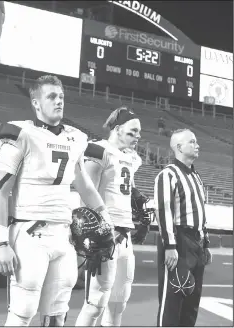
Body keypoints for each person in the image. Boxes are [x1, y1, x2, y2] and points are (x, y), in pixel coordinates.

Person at [0, 74, 114, 327]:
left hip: (63, 235)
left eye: (61, 97)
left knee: (58, 314)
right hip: (29, 231)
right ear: (36, 103)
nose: (59, 102)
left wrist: (106, 216)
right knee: (23, 312)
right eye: (51, 96)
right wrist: (0, 242)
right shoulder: (21, 134)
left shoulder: (76, 138)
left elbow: (85, 185)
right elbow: (0, 191)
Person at [75, 107, 142, 327]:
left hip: (125, 235)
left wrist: (141, 201)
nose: (137, 137)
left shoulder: (131, 157)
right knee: (96, 302)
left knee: (118, 302)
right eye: (132, 132)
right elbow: (87, 193)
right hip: (106, 235)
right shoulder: (98, 150)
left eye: (138, 132)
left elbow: (127, 190)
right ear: (117, 129)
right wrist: (94, 236)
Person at [154, 128, 212, 327]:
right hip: (179, 240)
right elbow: (163, 211)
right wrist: (170, 246)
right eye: (192, 142)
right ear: (179, 147)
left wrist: (205, 243)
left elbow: (201, 214)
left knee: (192, 300)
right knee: (173, 299)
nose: (197, 145)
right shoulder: (168, 174)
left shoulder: (196, 176)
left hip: (196, 241)